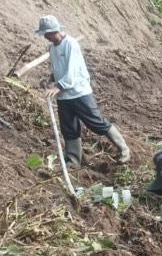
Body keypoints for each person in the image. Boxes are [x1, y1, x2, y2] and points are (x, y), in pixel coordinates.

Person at [35, 15, 130, 165]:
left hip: (80, 93)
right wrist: (50, 79)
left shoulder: (71, 44)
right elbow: (58, 69)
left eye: (46, 34)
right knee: (69, 128)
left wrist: (57, 87)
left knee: (96, 123)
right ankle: (74, 160)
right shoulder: (52, 49)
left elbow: (71, 72)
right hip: (63, 97)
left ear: (54, 31)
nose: (45, 37)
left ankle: (124, 150)